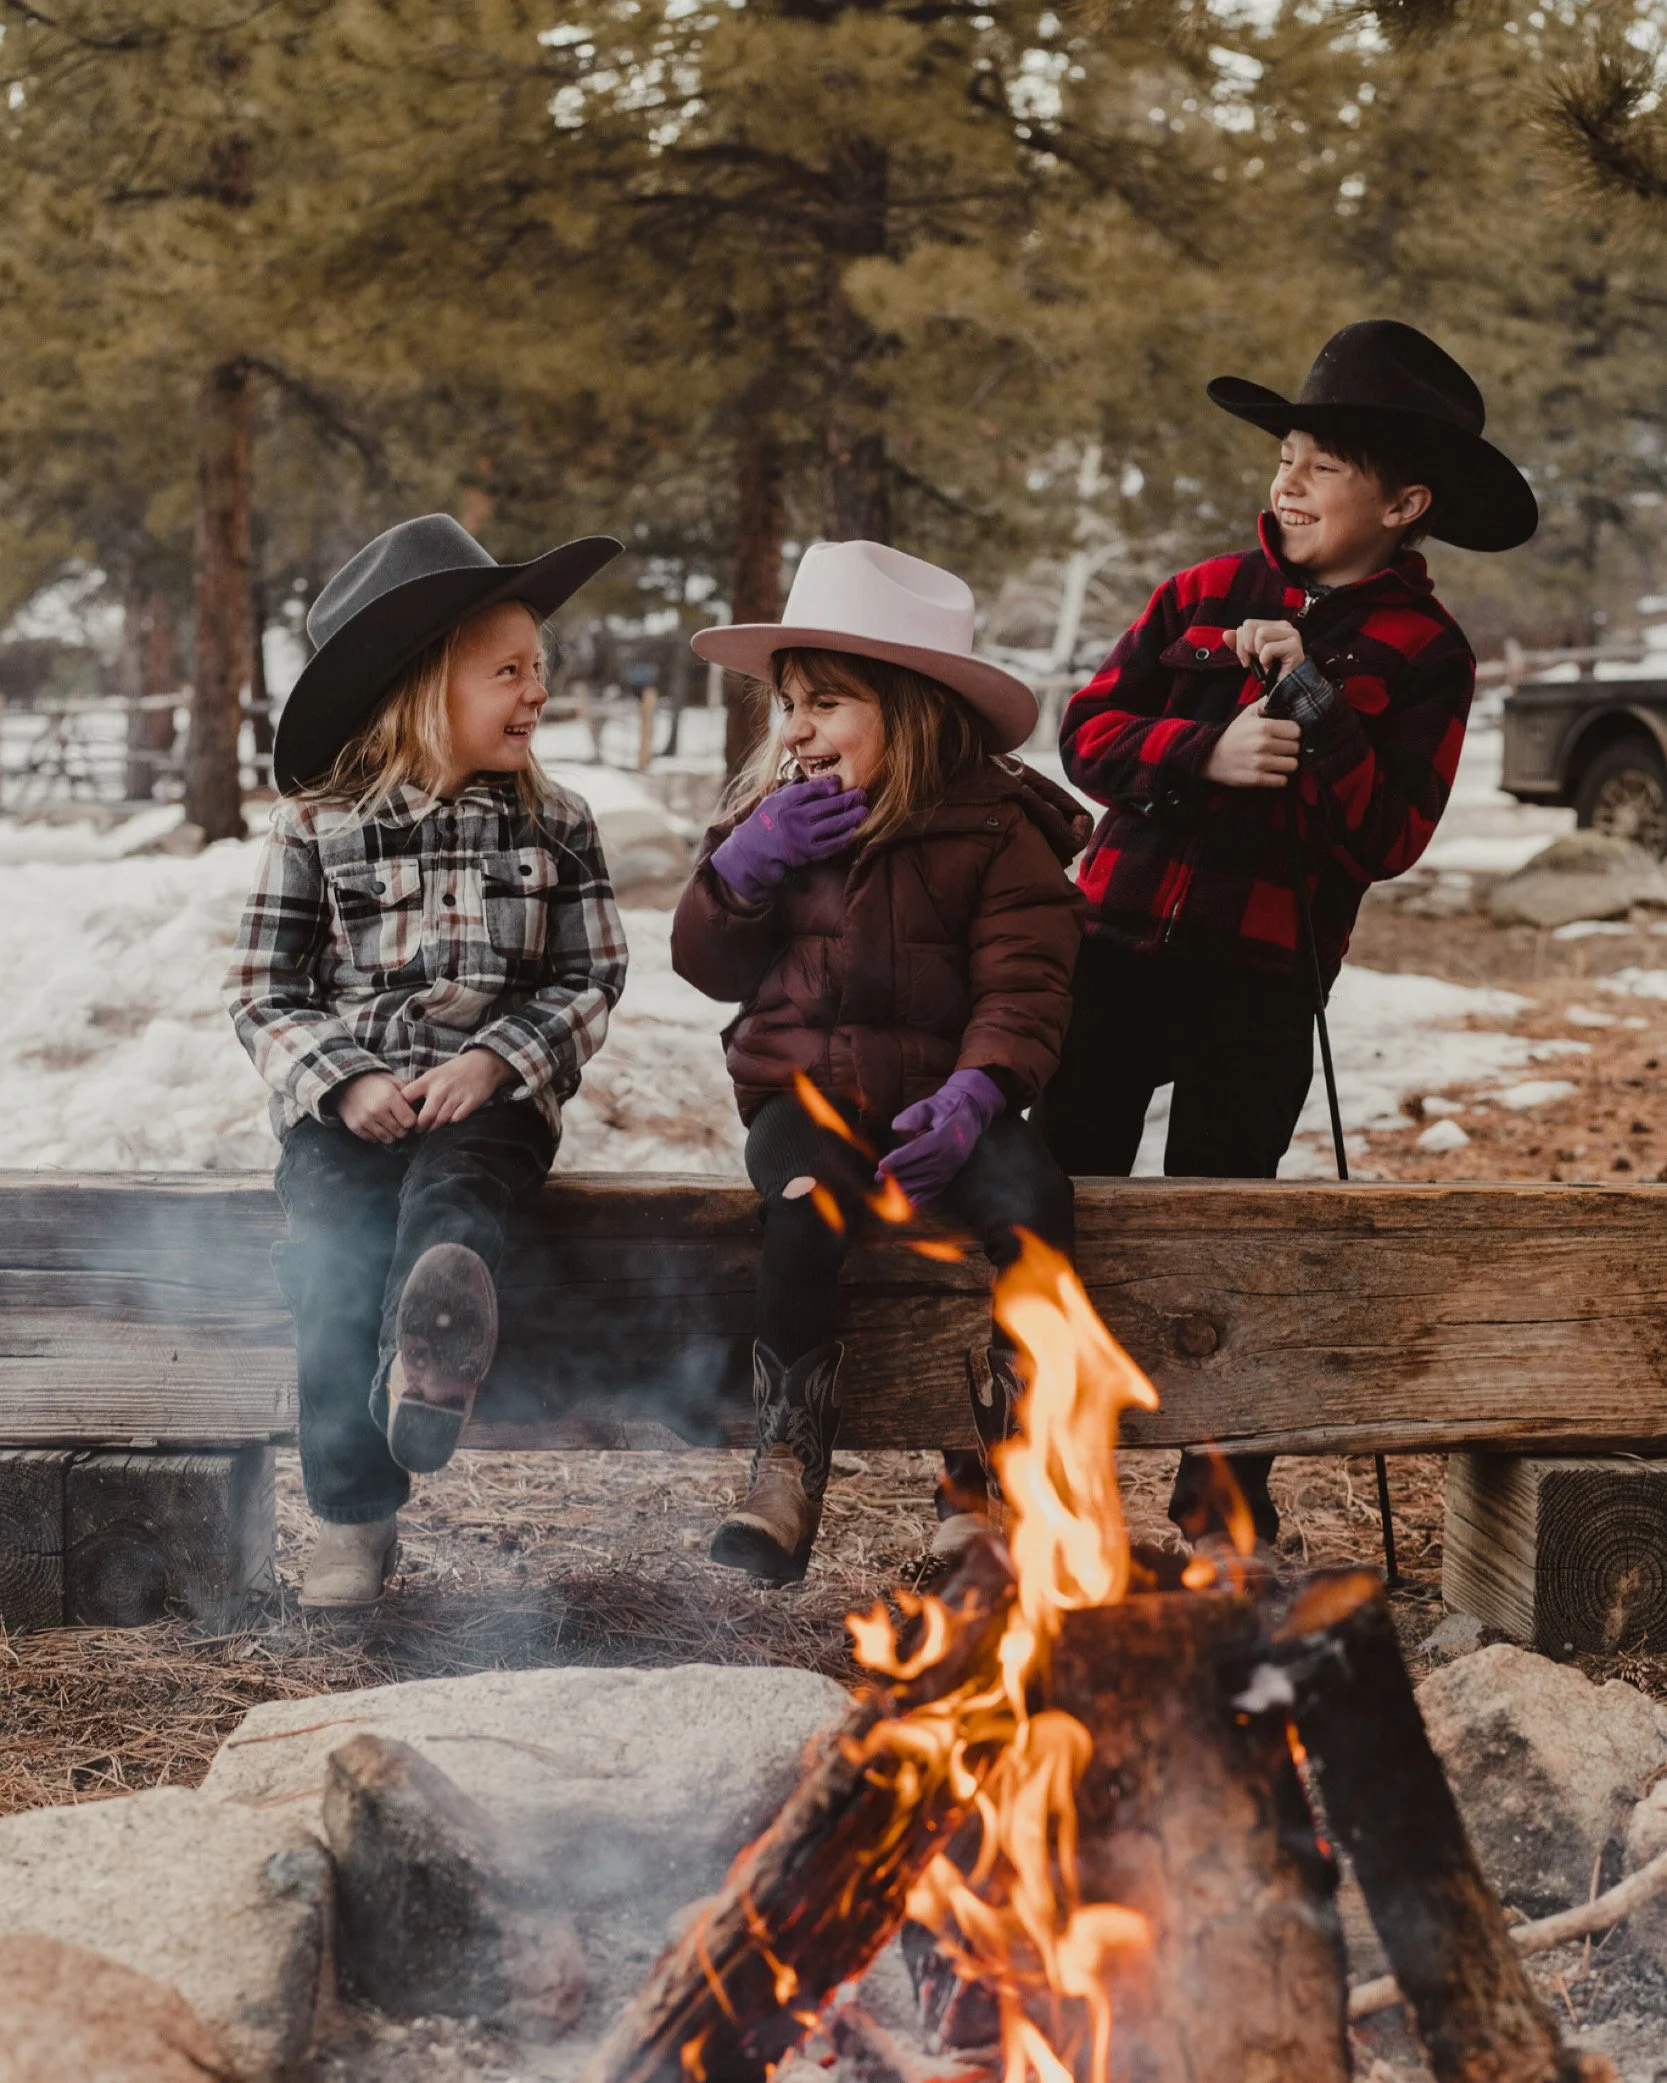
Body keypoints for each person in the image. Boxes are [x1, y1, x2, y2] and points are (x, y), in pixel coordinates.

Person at [1035, 320, 1538, 1554]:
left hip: (1259, 978)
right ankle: (1045, 1474)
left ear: (1403, 502)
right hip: (1109, 949)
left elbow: (1386, 835)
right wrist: (1196, 748)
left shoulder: (1427, 652)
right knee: (1062, 1201)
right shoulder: (1201, 593)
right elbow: (1085, 734)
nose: (1287, 481)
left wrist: (1312, 701)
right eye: (1285, 456)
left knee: (1228, 1226)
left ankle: (1218, 1504)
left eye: (1322, 465)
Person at [225, 514, 628, 1610]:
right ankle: (355, 1520)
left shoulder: (555, 824)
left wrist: (496, 1063)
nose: (536, 693)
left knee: (456, 1198)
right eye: (507, 672)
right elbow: (263, 989)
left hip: (487, 1101)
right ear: (421, 687)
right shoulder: (317, 826)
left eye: (538, 669)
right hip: (345, 1101)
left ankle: (430, 1363)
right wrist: (343, 1077)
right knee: (330, 1259)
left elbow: (590, 978)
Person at [672, 539, 1090, 1585]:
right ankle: (784, 1469)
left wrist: (977, 1090)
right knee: (803, 1206)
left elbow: (1025, 982)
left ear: (905, 710)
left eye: (826, 704)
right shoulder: (771, 825)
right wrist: (739, 872)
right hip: (804, 1099)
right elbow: (706, 969)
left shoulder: (999, 830)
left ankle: (997, 1478)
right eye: (788, 706)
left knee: (1034, 1203)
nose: (797, 730)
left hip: (954, 1104)